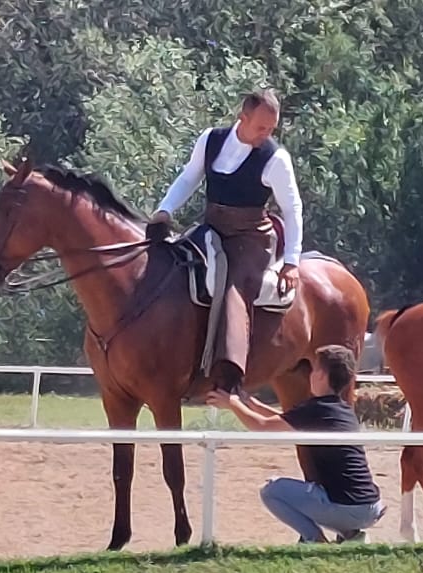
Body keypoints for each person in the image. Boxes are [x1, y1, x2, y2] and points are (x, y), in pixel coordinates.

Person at [148, 89, 305, 395]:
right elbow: (189, 178)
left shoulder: (275, 158)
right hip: (210, 230)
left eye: (271, 129)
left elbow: (292, 209)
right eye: (261, 127)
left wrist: (292, 261)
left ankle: (229, 373)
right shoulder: (210, 139)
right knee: (171, 266)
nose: (267, 135)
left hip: (251, 240)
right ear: (242, 118)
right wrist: (165, 209)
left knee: (234, 288)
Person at [204, 345, 386, 544]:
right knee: (327, 496)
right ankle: (352, 536)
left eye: (314, 369)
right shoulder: (340, 410)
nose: (310, 374)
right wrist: (250, 403)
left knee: (271, 491)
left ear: (321, 376)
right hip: (370, 507)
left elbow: (262, 426)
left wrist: (232, 403)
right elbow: (284, 420)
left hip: (350, 509)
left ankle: (314, 540)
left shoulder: (315, 409)